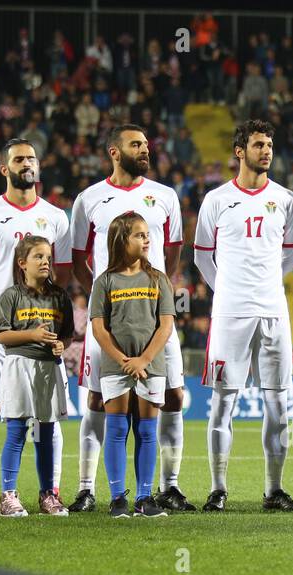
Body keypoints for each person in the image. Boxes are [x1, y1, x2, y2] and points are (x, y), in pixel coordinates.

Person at [66, 124, 188, 514]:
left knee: (174, 397)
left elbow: (174, 250)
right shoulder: (89, 199)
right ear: (114, 152)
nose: (145, 150)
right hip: (110, 322)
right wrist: (105, 293)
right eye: (136, 144)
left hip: (154, 313)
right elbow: (78, 256)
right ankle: (88, 489)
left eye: (147, 144)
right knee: (97, 402)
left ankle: (165, 488)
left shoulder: (165, 196)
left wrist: (159, 294)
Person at [194, 120, 293, 512]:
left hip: (274, 311)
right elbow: (202, 255)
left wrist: (267, 285)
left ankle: (274, 490)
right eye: (259, 144)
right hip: (230, 315)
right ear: (239, 151)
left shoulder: (286, 199)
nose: (267, 151)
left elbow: (290, 254)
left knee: (278, 406)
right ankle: (218, 488)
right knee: (223, 404)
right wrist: (228, 290)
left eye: (270, 144)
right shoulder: (217, 200)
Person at [0, 138, 73, 513]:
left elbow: (66, 273)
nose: (27, 163)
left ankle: (49, 493)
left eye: (32, 158)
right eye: (19, 159)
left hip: (44, 328)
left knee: (47, 413)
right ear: (4, 169)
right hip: (0, 330)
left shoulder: (57, 218)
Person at [91, 212, 176, 518]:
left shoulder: (158, 279)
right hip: (117, 366)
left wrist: (144, 359)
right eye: (139, 235)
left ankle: (144, 497)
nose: (147, 239)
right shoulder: (105, 282)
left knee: (147, 431)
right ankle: (117, 498)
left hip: (151, 365)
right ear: (120, 240)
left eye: (147, 234)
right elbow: (99, 328)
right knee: (115, 430)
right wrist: (123, 360)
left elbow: (165, 326)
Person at [0, 235, 73, 517]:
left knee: (45, 432)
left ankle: (47, 494)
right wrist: (32, 335)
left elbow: (67, 333)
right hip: (19, 365)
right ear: (22, 263)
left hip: (48, 367)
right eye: (38, 257)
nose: (45, 262)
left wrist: (63, 343)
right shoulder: (11, 296)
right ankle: (8, 495)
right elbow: (1, 335)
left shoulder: (60, 296)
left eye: (48, 257)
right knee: (16, 430)